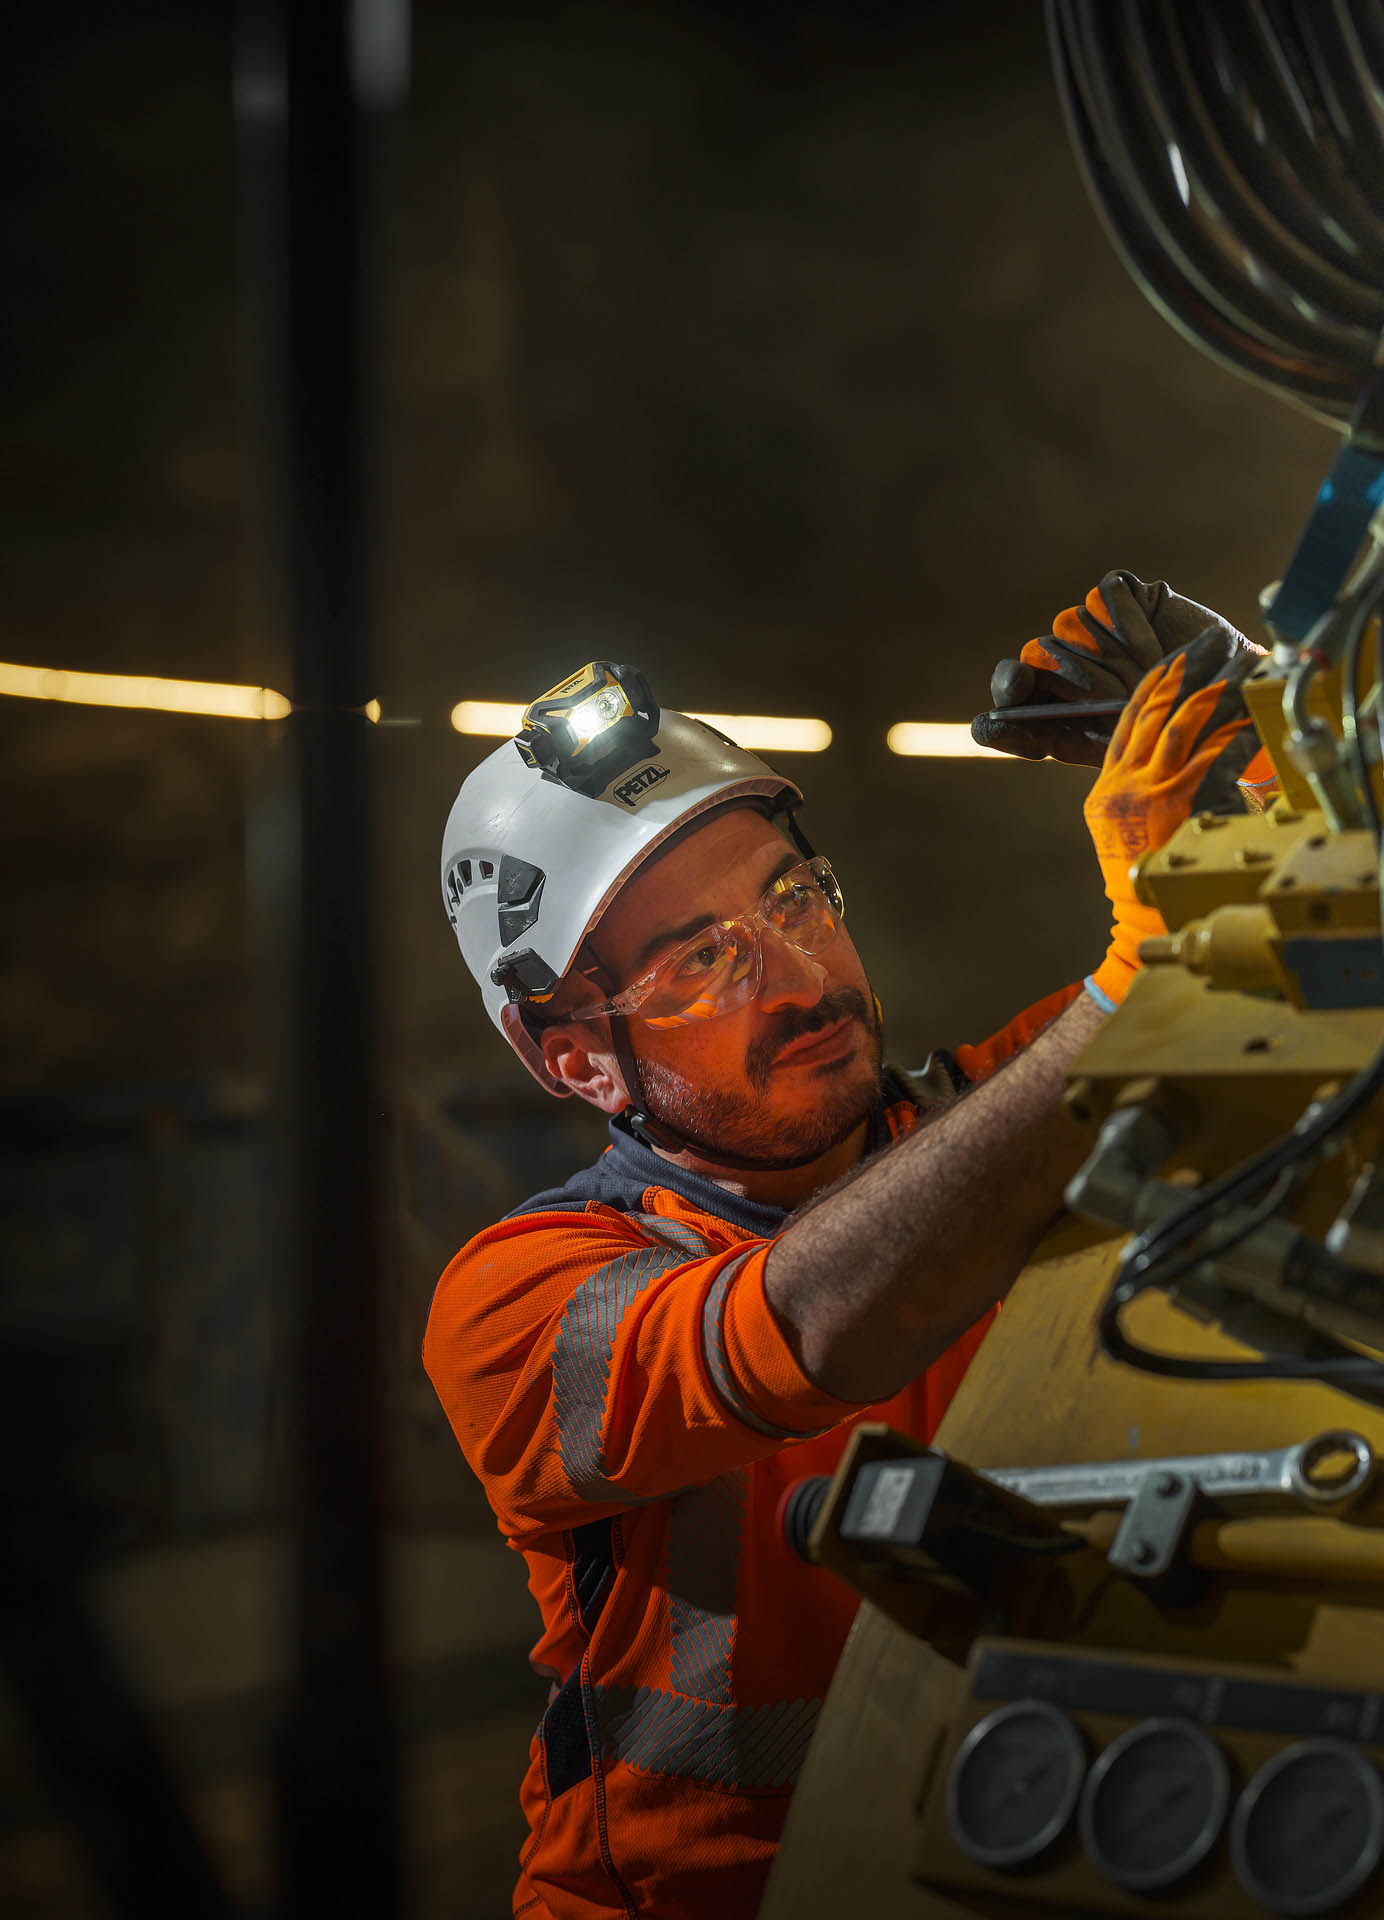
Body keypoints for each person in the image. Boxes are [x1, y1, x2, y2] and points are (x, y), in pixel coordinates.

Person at [424, 573, 1258, 1918]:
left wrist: (1276, 743)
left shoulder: (1012, 1111)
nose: (803, 979)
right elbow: (802, 1326)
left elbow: (1295, 963)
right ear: (576, 1057)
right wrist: (1132, 994)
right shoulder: (519, 1301)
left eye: (795, 902)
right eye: (700, 962)